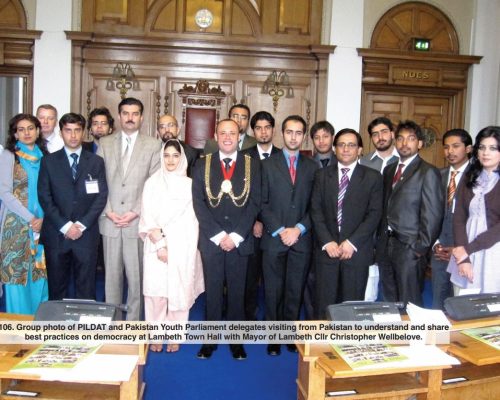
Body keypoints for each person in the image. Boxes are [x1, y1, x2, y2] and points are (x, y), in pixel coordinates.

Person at [192, 119, 261, 360]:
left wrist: (236, 235)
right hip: (212, 241)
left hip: (239, 241)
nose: (228, 137)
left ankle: (236, 342)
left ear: (239, 136)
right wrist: (220, 235)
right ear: (215, 135)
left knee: (237, 292)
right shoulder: (202, 165)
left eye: (232, 133)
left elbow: (255, 202)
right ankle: (209, 342)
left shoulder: (253, 165)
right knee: (212, 292)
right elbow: (199, 203)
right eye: (223, 133)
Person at [97, 97, 161, 320]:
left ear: (141, 118)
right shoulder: (104, 144)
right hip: (110, 220)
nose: (130, 118)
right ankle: (113, 325)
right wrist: (108, 210)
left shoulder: (153, 145)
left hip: (137, 222)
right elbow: (96, 181)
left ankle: (132, 326)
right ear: (119, 116)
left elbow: (154, 185)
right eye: (126, 113)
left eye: (135, 114)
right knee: (111, 279)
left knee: (137, 279)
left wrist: (136, 211)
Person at [139, 139, 204, 352]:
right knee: (156, 293)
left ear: (182, 158)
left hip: (181, 247)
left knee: (178, 292)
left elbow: (190, 221)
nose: (171, 160)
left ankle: (175, 334)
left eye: (176, 155)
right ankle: (156, 334)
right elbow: (148, 217)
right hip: (155, 245)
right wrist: (160, 244)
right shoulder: (152, 183)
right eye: (167, 155)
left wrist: (171, 245)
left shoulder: (189, 185)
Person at [260, 115, 318, 356]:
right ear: (281, 134)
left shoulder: (313, 167)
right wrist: (281, 230)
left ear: (304, 136)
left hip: (301, 240)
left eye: (298, 132)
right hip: (275, 238)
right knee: (273, 290)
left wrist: (299, 229)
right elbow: (261, 203)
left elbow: (317, 206)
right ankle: (273, 338)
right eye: (289, 132)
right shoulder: (266, 165)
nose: (293, 137)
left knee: (295, 289)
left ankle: (290, 336)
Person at [311, 129, 382, 319]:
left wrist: (352, 242)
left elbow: (374, 215)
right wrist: (327, 241)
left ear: (359, 150)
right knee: (324, 305)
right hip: (327, 251)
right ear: (334, 149)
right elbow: (315, 211)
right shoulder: (321, 175)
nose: (346, 149)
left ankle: (347, 344)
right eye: (341, 144)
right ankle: (322, 344)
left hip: (356, 252)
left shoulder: (373, 177)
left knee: (351, 306)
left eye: (351, 145)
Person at [38, 113, 108, 300]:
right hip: (57, 234)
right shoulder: (48, 161)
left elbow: (101, 197)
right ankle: (56, 329)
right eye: (68, 130)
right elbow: (45, 197)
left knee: (86, 290)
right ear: (61, 133)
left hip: (86, 234)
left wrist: (81, 225)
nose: (73, 135)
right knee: (57, 289)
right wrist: (66, 226)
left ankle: (84, 329)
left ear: (84, 132)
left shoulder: (96, 162)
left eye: (77, 130)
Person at [376, 120, 444, 306]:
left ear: (420, 143)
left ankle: (412, 336)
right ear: (395, 142)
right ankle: (394, 335)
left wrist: (420, 248)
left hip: (409, 248)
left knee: (410, 302)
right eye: (400, 139)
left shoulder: (428, 172)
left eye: (411, 139)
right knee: (389, 299)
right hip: (386, 245)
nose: (404, 143)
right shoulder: (390, 170)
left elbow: (433, 214)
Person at [0, 114, 48, 314]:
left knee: (40, 275)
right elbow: (4, 192)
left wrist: (43, 220)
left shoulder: (46, 157)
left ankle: (39, 327)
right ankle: (19, 334)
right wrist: (31, 218)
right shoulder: (9, 156)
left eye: (31, 128)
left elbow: (51, 192)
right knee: (17, 277)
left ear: (38, 131)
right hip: (16, 225)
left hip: (43, 225)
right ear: (15, 133)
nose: (27, 133)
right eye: (21, 129)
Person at [448, 126, 500, 293]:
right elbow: (459, 217)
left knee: (491, 307)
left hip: (493, 250)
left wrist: (466, 251)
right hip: (465, 246)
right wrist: (463, 257)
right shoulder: (470, 176)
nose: (486, 153)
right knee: (463, 303)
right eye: (482, 147)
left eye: (493, 148)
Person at [242, 111, 280, 320]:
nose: (263, 132)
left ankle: (272, 318)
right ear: (253, 130)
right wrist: (254, 221)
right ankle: (248, 316)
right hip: (251, 228)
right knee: (250, 275)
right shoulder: (244, 156)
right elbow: (243, 195)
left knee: (273, 278)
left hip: (276, 228)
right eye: (258, 128)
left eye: (267, 127)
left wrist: (269, 222)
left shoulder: (283, 156)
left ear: (273, 129)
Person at [430, 129, 472, 309]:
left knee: (462, 305)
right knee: (439, 301)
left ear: (468, 148)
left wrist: (458, 248)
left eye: (456, 146)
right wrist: (436, 242)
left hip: (466, 250)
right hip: (440, 249)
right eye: (446, 147)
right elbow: (430, 213)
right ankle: (440, 337)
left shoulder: (478, 177)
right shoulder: (437, 175)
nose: (450, 152)